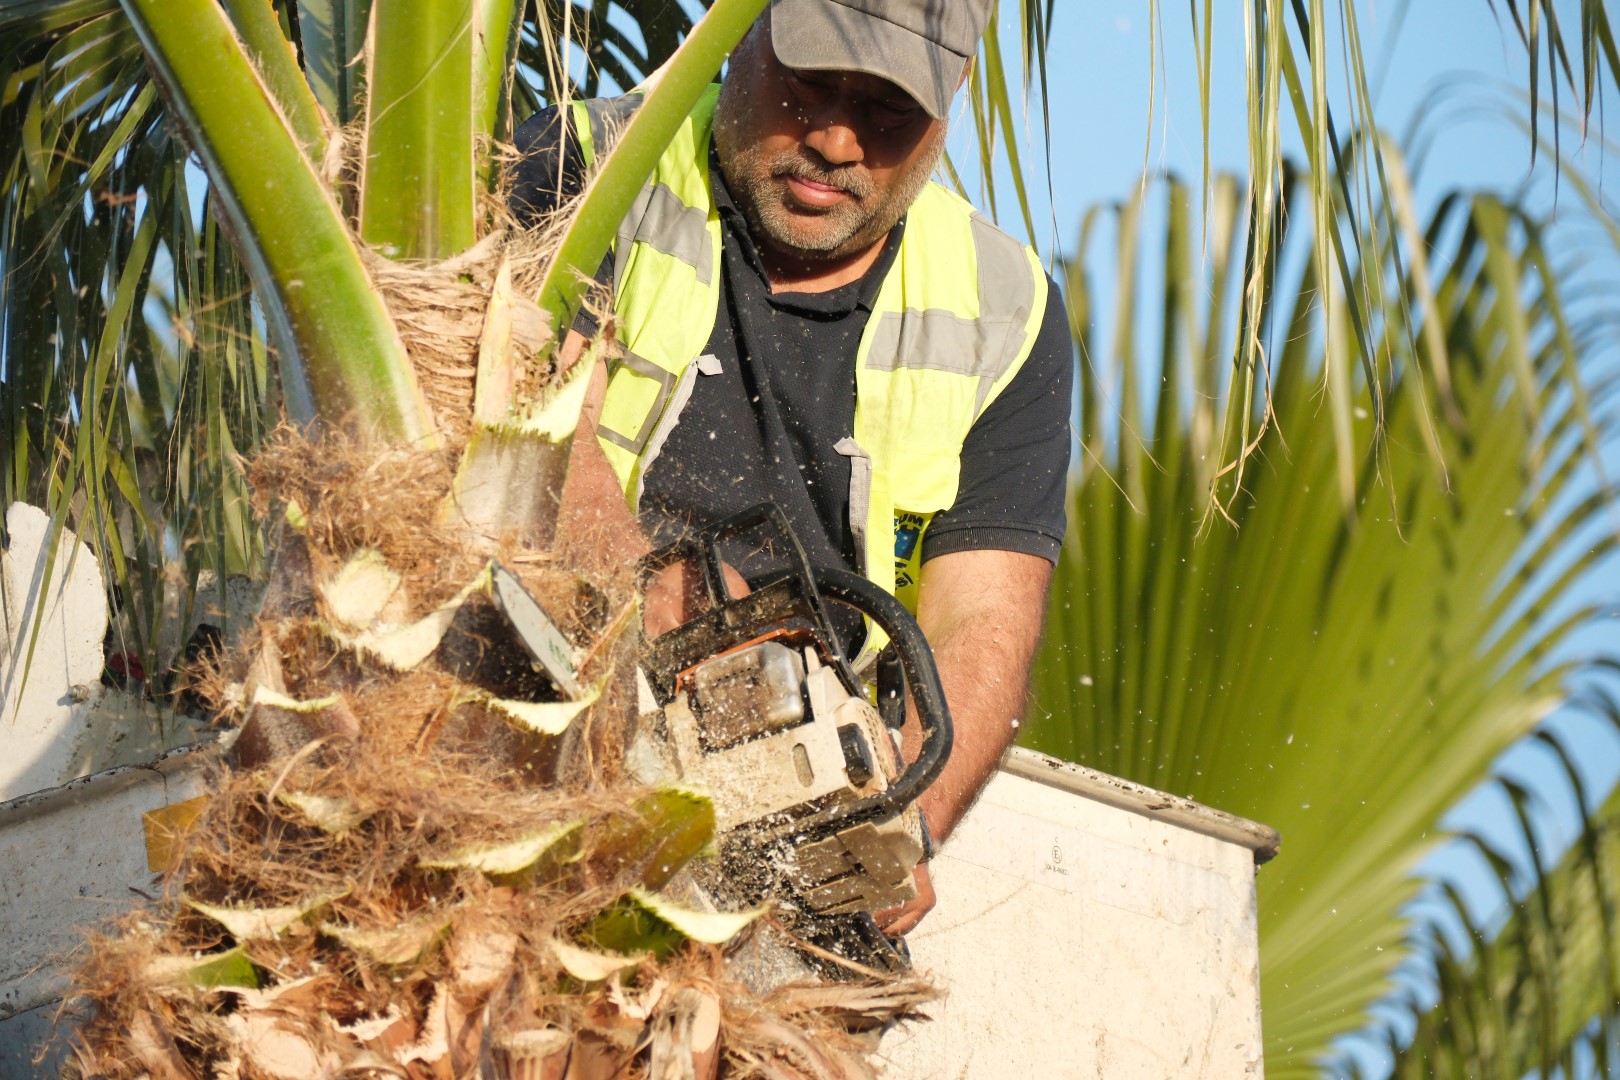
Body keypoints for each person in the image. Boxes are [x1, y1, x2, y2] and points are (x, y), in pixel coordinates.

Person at [509, 0, 1074, 936]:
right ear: (741, 34)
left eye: (888, 108)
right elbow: (537, 435)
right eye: (811, 86)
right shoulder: (583, 165)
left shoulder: (1006, 311)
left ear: (948, 109)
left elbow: (984, 618)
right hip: (534, 711)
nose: (839, 140)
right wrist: (679, 617)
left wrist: (895, 831)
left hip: (789, 790)